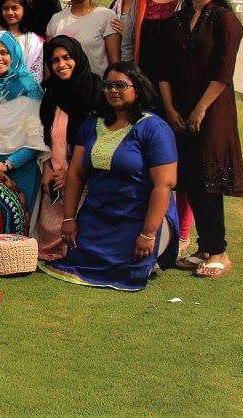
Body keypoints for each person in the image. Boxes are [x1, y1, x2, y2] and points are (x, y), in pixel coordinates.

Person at [42, 63, 179, 292]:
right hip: (97, 218)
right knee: (80, 263)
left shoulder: (154, 128)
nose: (112, 90)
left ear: (138, 88)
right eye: (107, 85)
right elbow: (75, 173)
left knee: (127, 269)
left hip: (140, 220)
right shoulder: (92, 125)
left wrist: (148, 233)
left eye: (121, 85)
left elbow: (164, 185)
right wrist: (68, 218)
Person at [160, 0, 243, 279]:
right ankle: (203, 248)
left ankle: (219, 251)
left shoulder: (225, 20)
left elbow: (224, 71)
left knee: (210, 180)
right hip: (179, 110)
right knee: (190, 178)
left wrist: (201, 108)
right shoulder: (177, 21)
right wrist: (170, 109)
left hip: (213, 110)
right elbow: (164, 69)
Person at [125, 0, 192, 246]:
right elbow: (128, 43)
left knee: (184, 160)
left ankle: (181, 232)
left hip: (182, 89)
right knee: (150, 160)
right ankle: (152, 223)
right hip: (145, 90)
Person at [36, 36, 107, 260]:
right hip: (55, 172)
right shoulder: (51, 93)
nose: (61, 65)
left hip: (84, 176)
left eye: (67, 58)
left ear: (78, 58)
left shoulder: (95, 92)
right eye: (55, 60)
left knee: (77, 243)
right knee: (47, 238)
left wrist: (73, 173)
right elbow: (45, 133)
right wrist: (47, 165)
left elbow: (97, 140)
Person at [0, 31, 49, 218]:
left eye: (4, 52)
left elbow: (35, 141)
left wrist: (6, 165)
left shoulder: (30, 89)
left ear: (15, 53)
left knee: (17, 231)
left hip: (20, 171)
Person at [46, 0, 120, 75]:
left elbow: (114, 63)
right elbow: (50, 60)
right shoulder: (56, 20)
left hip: (96, 88)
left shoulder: (106, 17)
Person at [0, 0, 44, 81]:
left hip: (26, 91)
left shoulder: (34, 41)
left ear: (25, 9)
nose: (10, 12)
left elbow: (36, 73)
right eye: (5, 8)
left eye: (14, 8)